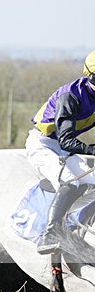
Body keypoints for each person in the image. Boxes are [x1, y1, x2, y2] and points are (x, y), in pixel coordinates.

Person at [26, 50, 95, 254]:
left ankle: (76, 228)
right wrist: (91, 149)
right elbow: (65, 141)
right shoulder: (71, 96)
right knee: (71, 181)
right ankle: (49, 234)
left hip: (62, 146)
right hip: (43, 144)